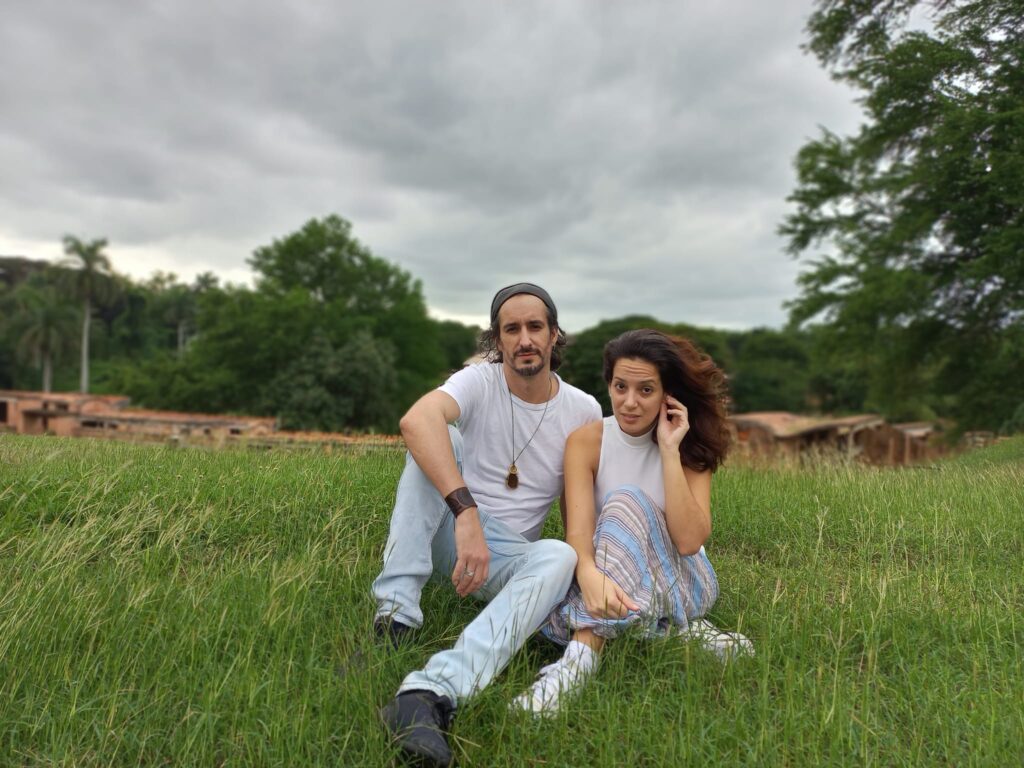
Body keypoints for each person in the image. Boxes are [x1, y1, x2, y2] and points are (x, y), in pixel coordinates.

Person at [372, 282, 602, 766]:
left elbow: (578, 508)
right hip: (452, 534)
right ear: (497, 341)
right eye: (510, 329)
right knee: (439, 436)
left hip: (505, 559)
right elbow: (416, 421)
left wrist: (589, 576)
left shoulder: (583, 411)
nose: (524, 339)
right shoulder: (478, 381)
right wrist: (466, 511)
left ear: (555, 335)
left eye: (535, 327)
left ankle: (428, 695)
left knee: (559, 553)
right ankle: (395, 615)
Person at [513, 328, 753, 715]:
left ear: (667, 394)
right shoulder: (586, 441)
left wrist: (671, 451)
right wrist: (589, 577)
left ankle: (575, 666)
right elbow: (578, 532)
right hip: (610, 574)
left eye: (645, 390)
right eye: (620, 386)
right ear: (608, 384)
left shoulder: (691, 445)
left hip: (685, 577)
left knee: (625, 501)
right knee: (562, 575)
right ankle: (670, 631)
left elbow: (690, 541)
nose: (629, 402)